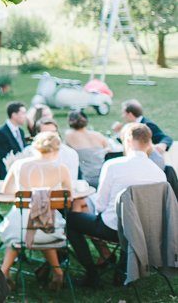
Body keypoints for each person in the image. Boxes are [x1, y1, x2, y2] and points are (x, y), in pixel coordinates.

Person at [67, 123, 166, 287]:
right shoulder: (158, 173)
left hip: (114, 230)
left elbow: (100, 205)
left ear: (128, 140)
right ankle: (122, 270)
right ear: (149, 142)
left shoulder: (113, 166)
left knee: (71, 220)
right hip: (144, 232)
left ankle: (92, 274)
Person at [0, 131, 72, 290]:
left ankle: (4, 270)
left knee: (20, 230)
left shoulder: (19, 165)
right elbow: (69, 197)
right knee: (42, 228)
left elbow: (6, 191)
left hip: (20, 228)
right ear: (57, 150)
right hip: (51, 227)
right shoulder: (62, 169)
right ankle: (58, 272)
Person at [65, 110, 111, 188]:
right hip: (104, 177)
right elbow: (110, 149)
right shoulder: (97, 135)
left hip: (87, 180)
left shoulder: (70, 135)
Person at [37, 118, 80, 182]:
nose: (50, 136)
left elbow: (71, 180)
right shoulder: (28, 152)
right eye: (46, 133)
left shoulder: (70, 153)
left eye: (53, 132)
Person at [0, 102, 28, 179]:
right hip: (10, 170)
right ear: (14, 115)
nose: (25, 116)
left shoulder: (20, 131)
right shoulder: (1, 133)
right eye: (23, 113)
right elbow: (5, 156)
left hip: (22, 167)